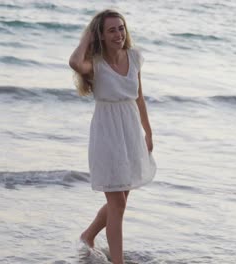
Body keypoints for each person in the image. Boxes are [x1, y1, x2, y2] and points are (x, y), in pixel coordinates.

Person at [68, 9, 157, 264]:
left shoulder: (135, 57)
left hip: (130, 133)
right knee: (117, 202)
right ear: (101, 36)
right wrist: (88, 35)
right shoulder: (95, 65)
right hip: (107, 135)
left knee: (121, 200)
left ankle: (88, 235)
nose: (118, 34)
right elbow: (75, 62)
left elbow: (139, 98)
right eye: (111, 30)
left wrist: (148, 132)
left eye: (121, 28)